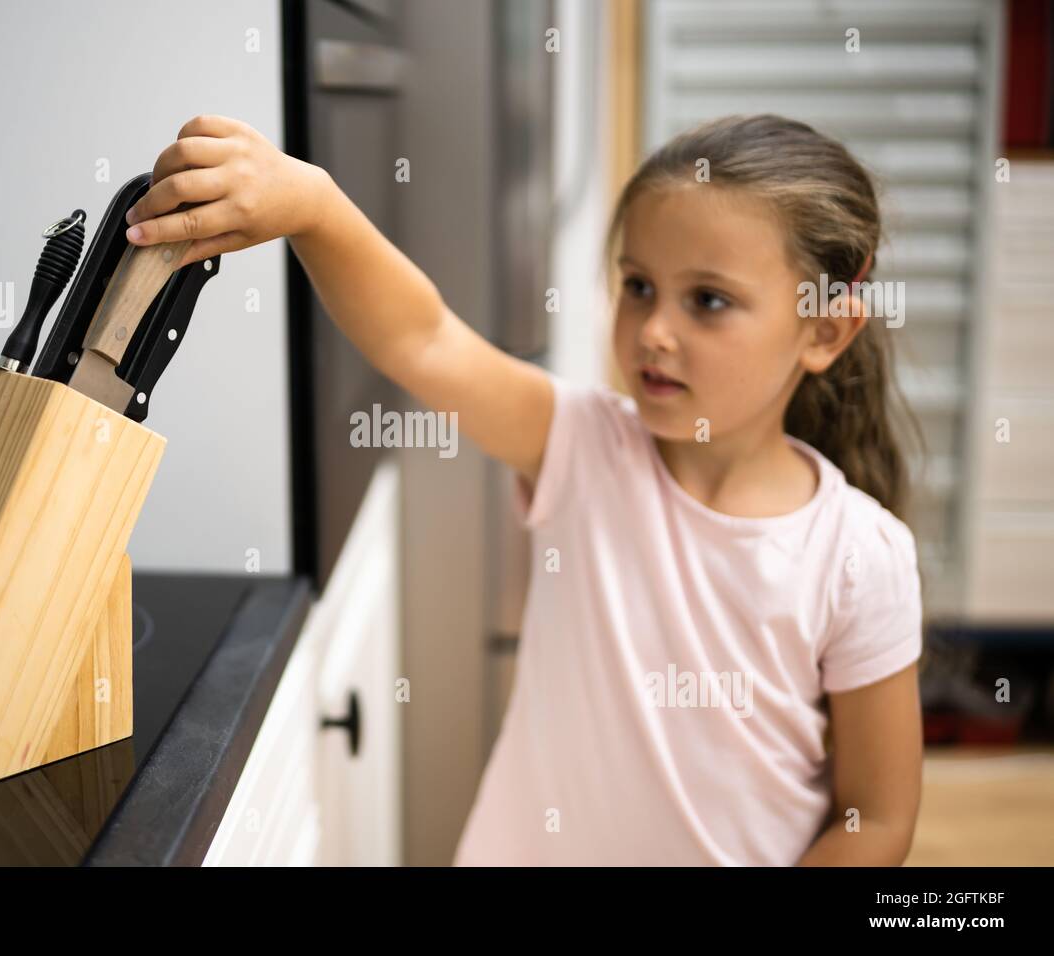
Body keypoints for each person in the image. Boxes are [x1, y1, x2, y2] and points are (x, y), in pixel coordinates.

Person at [124, 112, 925, 866]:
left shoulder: (860, 558)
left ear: (824, 330)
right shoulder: (582, 447)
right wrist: (317, 209)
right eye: (638, 285)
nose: (652, 330)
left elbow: (878, 818)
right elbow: (424, 338)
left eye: (707, 300)